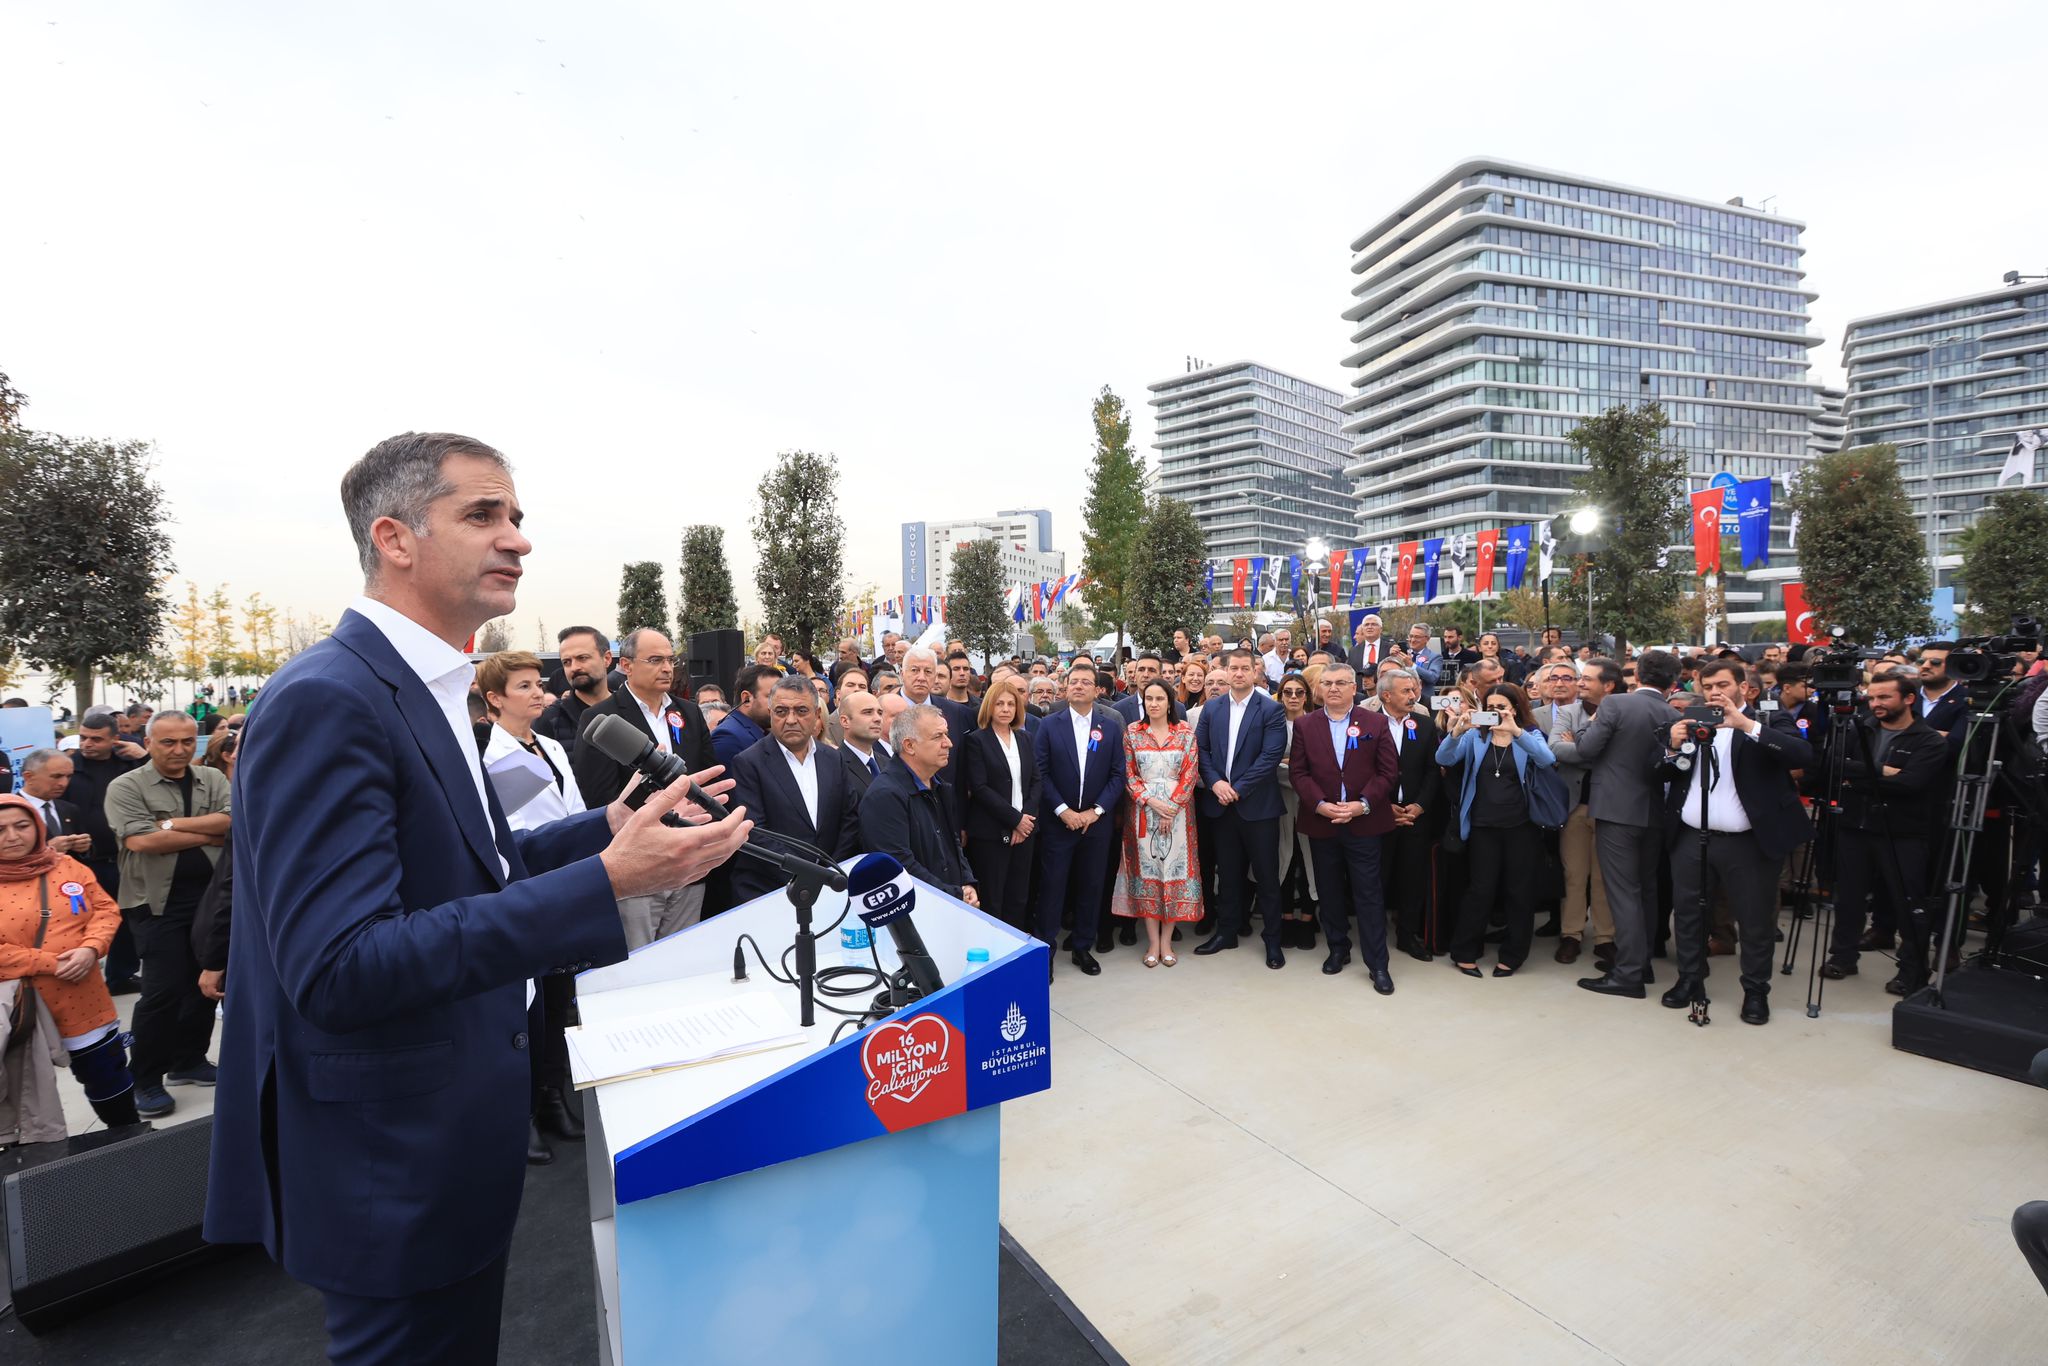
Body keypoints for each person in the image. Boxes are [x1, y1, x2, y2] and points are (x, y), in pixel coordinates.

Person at [204, 431, 750, 1364]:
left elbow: (473, 869)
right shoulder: (329, 696)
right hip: (389, 1161)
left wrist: (606, 830)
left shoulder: (425, 687)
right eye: (483, 514)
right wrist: (608, 881)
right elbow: (340, 966)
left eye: (518, 517)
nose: (518, 539)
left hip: (445, 1140)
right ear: (394, 537)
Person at [1656, 659, 1813, 1024]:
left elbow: (1802, 755)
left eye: (1723, 685)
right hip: (1691, 837)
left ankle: (1756, 991)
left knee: (1755, 918)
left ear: (1743, 687)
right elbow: (1660, 773)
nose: (1715, 692)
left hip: (1749, 842)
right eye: (1708, 686)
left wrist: (1746, 725)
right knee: (1689, 914)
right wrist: (1672, 747)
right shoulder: (1691, 721)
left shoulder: (1769, 720)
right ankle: (1690, 978)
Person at [477, 649, 589, 1162]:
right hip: (527, 889)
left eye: (538, 684)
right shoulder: (487, 759)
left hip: (567, 883)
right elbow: (507, 834)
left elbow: (577, 811)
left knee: (561, 1000)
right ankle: (521, 1114)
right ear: (495, 699)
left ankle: (552, 1097)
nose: (538, 692)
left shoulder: (552, 745)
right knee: (528, 1006)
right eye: (524, 686)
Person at [103, 712, 231, 1117]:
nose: (179, 750)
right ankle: (144, 1078)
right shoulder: (127, 786)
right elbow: (141, 841)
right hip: (157, 904)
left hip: (211, 899)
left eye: (187, 741)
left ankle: (188, 1060)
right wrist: (208, 832)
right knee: (163, 991)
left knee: (207, 983)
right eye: (168, 742)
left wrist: (170, 824)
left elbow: (233, 822)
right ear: (148, 742)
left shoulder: (212, 778)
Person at [0, 793, 140, 1132]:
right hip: (18, 1010)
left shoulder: (65, 865)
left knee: (107, 1075)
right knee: (22, 1093)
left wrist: (91, 948)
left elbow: (105, 909)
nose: (13, 836)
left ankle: (129, 1138)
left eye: (22, 826)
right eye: (0, 829)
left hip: (82, 998)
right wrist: (52, 963)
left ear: (38, 826)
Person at [569, 628, 717, 946]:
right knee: (639, 955)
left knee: (683, 954)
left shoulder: (688, 712)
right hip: (639, 862)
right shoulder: (602, 717)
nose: (667, 668)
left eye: (670, 660)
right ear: (626, 665)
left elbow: (706, 775)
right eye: (655, 660)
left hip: (688, 854)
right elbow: (598, 795)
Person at [1822, 671, 1951, 992]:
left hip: (1903, 833)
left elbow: (1910, 783)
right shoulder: (1860, 729)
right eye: (1872, 697)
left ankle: (1912, 971)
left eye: (1884, 697)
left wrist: (1856, 779)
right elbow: (1832, 763)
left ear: (1909, 699)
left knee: (1908, 903)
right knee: (1848, 898)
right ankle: (1842, 957)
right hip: (1855, 826)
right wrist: (1881, 771)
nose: (1875, 703)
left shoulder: (1929, 740)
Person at [1568, 649, 1683, 1000]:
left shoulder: (1616, 704)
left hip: (1617, 810)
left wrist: (1579, 731)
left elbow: (1586, 749)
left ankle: (1629, 973)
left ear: (1638, 674)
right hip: (1653, 811)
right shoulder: (1673, 713)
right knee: (1646, 890)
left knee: (1623, 892)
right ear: (1673, 681)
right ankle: (1642, 963)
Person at [1291, 663, 1400, 993]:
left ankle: (1378, 964)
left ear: (1355, 688)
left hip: (1364, 822)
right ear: (1319, 689)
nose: (1333, 688)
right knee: (1328, 891)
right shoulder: (1305, 724)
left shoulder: (1375, 722)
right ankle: (1338, 948)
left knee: (1368, 894)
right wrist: (1319, 804)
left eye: (1341, 683)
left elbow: (1387, 772)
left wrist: (1361, 804)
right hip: (1322, 821)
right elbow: (1299, 773)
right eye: (1327, 683)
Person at [1434, 682, 1556, 977]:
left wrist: (1516, 731)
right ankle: (1464, 951)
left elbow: (1547, 760)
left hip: (1521, 827)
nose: (1496, 712)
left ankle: (1513, 955)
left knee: (1519, 891)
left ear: (1516, 708)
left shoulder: (1528, 734)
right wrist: (1456, 732)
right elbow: (1443, 759)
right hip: (1482, 826)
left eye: (1502, 707)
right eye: (1490, 707)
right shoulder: (1476, 735)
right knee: (1480, 889)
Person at [727, 676, 862, 905]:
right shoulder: (748, 763)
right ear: (770, 714)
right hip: (770, 891)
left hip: (831, 887)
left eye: (801, 711)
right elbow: (755, 832)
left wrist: (830, 872)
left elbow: (849, 819)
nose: (791, 719)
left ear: (817, 715)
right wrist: (808, 876)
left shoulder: (833, 758)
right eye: (781, 711)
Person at [1194, 648, 1291, 967]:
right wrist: (1215, 783)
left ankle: (1273, 941)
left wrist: (1237, 788)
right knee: (1228, 875)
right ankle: (1227, 933)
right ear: (1226, 670)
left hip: (1258, 808)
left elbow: (1271, 756)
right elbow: (1201, 750)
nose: (1238, 673)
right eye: (1233, 668)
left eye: (1244, 668)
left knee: (1266, 877)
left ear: (1255, 672)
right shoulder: (1212, 708)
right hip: (1221, 806)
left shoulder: (1270, 709)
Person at [1033, 662, 1125, 979]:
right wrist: (1064, 810)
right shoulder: (1049, 725)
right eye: (1073, 681)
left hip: (1095, 824)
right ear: (1066, 687)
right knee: (1052, 888)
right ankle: (1045, 952)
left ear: (1097, 689)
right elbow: (1040, 772)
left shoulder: (1109, 726)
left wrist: (1095, 812)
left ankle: (1083, 946)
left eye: (1086, 682)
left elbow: (1118, 775)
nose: (1078, 686)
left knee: (1091, 885)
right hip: (1059, 822)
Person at [1111, 679, 1202, 966]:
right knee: (1148, 874)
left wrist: (1171, 808)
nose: (1153, 704)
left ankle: (1167, 941)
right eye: (1148, 698)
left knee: (1173, 874)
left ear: (1170, 702)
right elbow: (1129, 775)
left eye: (1159, 698)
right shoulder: (1132, 733)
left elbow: (1190, 772)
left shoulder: (1185, 733)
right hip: (1143, 812)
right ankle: (1152, 941)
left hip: (1179, 815)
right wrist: (1152, 802)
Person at [859, 705, 978, 904]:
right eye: (938, 736)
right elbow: (899, 865)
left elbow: (953, 844)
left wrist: (967, 882)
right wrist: (954, 895)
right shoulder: (885, 796)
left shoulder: (938, 786)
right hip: (919, 909)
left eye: (946, 734)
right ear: (909, 746)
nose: (948, 743)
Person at [64, 708, 146, 993]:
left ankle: (121, 975)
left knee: (126, 918)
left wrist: (145, 757)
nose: (87, 744)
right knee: (76, 921)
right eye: (83, 737)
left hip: (124, 859)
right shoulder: (68, 769)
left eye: (96, 739)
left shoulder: (130, 765)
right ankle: (75, 974)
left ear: (114, 739)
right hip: (80, 862)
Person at [1543, 660, 1615, 971]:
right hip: (1575, 807)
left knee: (1603, 877)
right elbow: (1555, 748)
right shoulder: (1569, 713)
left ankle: (1605, 937)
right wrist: (1594, 751)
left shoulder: (1617, 711)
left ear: (1607, 685)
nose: (1581, 684)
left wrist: (1579, 747)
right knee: (1574, 874)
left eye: (1585, 679)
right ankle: (1570, 934)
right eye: (1580, 678)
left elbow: (1619, 755)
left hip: (1609, 808)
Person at [962, 676, 1040, 934]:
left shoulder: (1025, 738)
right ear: (989, 706)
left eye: (1011, 704)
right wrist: (1014, 820)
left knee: (1019, 896)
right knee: (993, 897)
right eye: (999, 704)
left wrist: (1025, 819)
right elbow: (980, 787)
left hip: (1025, 831)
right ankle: (994, 946)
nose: (1006, 709)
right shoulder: (977, 740)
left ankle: (1016, 944)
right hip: (991, 832)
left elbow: (1036, 781)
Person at [1374, 667, 1443, 959]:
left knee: (1413, 879)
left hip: (1415, 817)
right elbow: (1361, 771)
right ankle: (1374, 936)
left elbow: (1433, 771)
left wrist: (1420, 805)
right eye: (1406, 691)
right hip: (1379, 816)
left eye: (1414, 690)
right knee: (1377, 879)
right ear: (1386, 695)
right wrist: (1383, 806)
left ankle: (1407, 935)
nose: (1413, 695)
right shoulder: (1368, 723)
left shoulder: (1424, 725)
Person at [1273, 673, 1321, 950]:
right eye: (1287, 692)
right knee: (1285, 861)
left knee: (1310, 861)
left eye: (1299, 692)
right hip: (1280, 802)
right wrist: (1299, 768)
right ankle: (1286, 917)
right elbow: (1269, 764)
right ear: (1280, 695)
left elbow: (1322, 766)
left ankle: (1307, 918)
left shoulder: (1317, 723)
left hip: (1312, 804)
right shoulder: (1272, 724)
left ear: (1306, 696)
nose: (1293, 697)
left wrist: (1290, 765)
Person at [539, 625, 612, 749]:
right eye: (566, 662)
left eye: (582, 658)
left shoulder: (632, 710)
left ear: (607, 659)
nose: (574, 668)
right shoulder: (549, 720)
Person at [710, 662, 779, 768]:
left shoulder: (764, 731)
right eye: (772, 697)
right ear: (746, 698)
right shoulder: (729, 738)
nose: (780, 704)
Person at [837, 688, 893, 792]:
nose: (878, 719)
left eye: (880, 713)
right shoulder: (834, 766)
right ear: (845, 721)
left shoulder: (889, 763)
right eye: (868, 712)